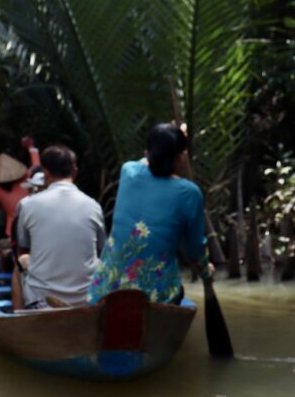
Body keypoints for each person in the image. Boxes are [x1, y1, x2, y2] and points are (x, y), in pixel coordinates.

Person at [88, 123, 211, 306]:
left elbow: (146, 161)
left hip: (102, 294)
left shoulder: (128, 171)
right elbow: (195, 250)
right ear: (181, 157)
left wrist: (169, 141)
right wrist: (206, 272)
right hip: (154, 300)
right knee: (187, 303)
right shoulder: (189, 193)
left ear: (148, 153)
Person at [13, 145, 105, 308]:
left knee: (18, 265)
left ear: (46, 173)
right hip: (85, 299)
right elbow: (101, 250)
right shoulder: (93, 206)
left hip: (42, 300)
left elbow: (23, 249)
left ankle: (19, 321)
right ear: (75, 171)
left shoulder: (27, 205)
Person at [0, 137, 41, 238]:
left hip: (13, 231)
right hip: (33, 226)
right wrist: (31, 147)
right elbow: (36, 166)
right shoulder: (26, 177)